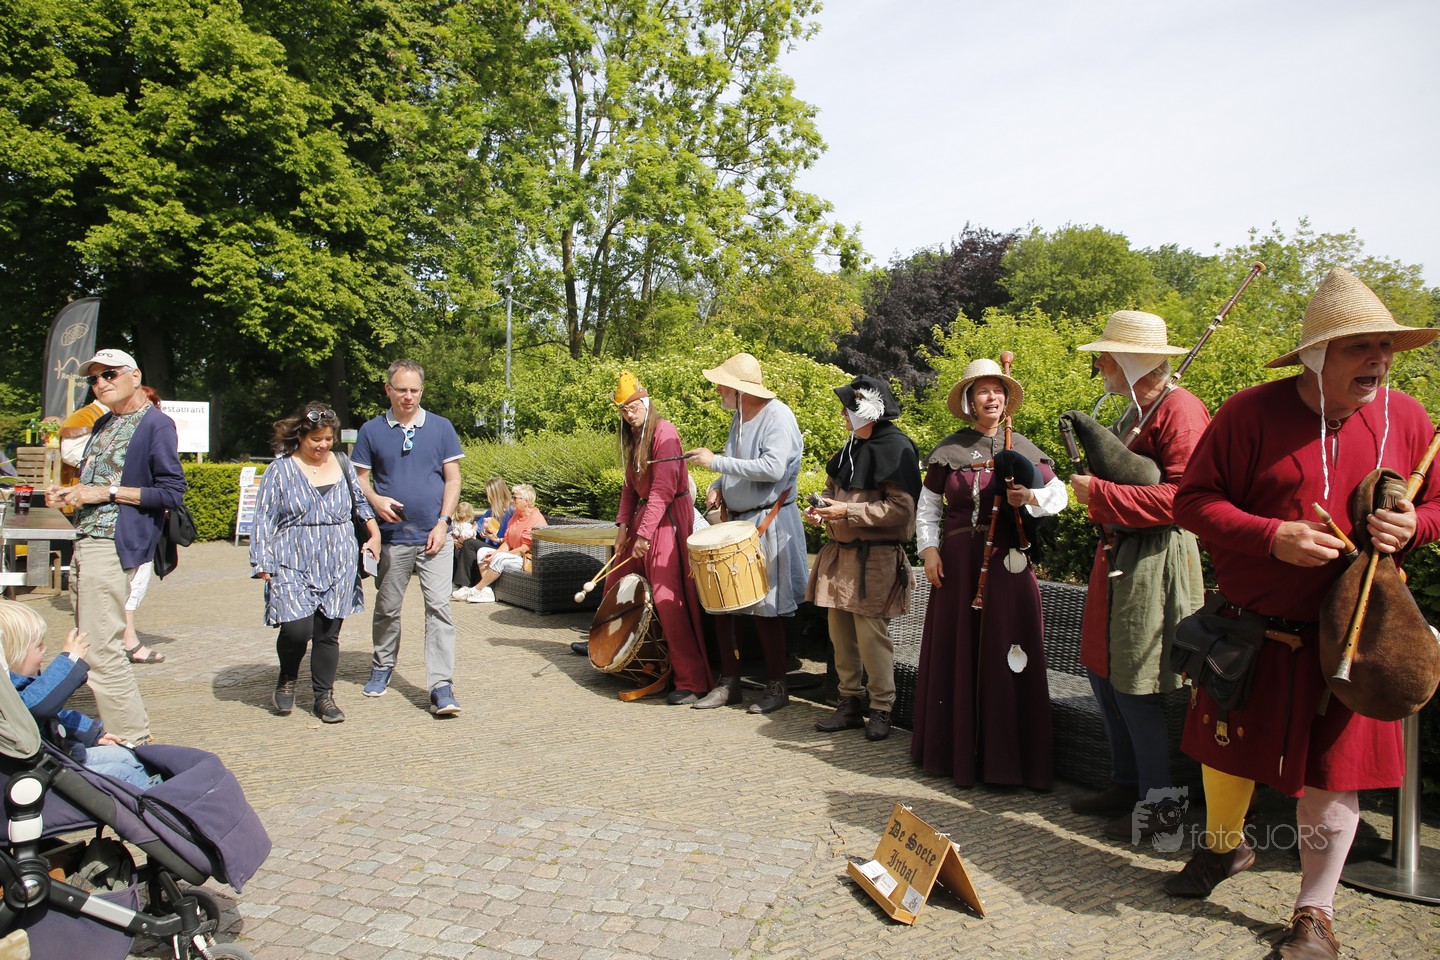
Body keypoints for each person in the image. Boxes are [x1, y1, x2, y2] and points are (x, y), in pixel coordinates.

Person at [1166, 267, 1440, 960]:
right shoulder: (1248, 414)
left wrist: (1416, 527)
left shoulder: (1409, 419)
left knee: (1331, 781)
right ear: (1316, 355)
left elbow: (1437, 505)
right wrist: (1271, 537)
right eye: (1360, 347)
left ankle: (1314, 912)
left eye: (1385, 346)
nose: (1379, 359)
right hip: (1250, 633)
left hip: (1353, 642)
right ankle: (1225, 849)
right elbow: (1192, 502)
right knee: (1226, 755)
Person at [1068, 312, 1209, 840]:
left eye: (1106, 356)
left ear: (1132, 361)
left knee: (1136, 684)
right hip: (1118, 556)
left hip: (1156, 561)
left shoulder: (1181, 410)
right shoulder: (1137, 409)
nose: (1100, 365)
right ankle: (1126, 784)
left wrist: (1101, 494)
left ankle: (1161, 807)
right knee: (1104, 675)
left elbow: (1185, 499)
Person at [909, 357, 1067, 789]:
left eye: (998, 390)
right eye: (983, 390)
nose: (991, 397)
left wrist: (1029, 496)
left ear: (1006, 398)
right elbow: (928, 507)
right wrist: (929, 550)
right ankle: (954, 754)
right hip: (958, 566)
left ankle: (1007, 763)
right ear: (969, 400)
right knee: (958, 651)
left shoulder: (1024, 446)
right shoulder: (949, 450)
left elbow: (1059, 495)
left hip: (1008, 567)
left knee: (1005, 651)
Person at [44, 348, 185, 746]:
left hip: (112, 542)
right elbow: (96, 486)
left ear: (135, 376)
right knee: (91, 641)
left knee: (100, 648)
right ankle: (123, 733)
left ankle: (133, 741)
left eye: (110, 374)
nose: (101, 383)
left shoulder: (156, 424)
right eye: (94, 378)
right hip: (87, 539)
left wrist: (103, 492)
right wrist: (71, 494)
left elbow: (171, 492)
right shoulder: (104, 422)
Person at [687, 353, 808, 713]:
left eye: (723, 386)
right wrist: (719, 485)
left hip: (769, 523)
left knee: (766, 608)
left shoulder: (778, 415)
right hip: (738, 523)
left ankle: (777, 687)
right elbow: (738, 466)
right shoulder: (739, 417)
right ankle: (729, 685)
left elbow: (772, 468)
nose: (719, 391)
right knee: (723, 602)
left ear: (741, 390)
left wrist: (715, 463)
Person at [805, 375, 921, 742]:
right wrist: (822, 509)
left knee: (872, 638)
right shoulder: (852, 445)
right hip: (840, 556)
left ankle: (881, 708)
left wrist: (847, 512)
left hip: (876, 560)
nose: (843, 413)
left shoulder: (896, 448)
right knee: (840, 635)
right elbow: (832, 490)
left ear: (868, 411)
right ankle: (849, 704)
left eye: (848, 408)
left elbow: (901, 510)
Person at [250, 402, 380, 723]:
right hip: (292, 558)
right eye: (316, 439)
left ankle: (324, 697)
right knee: (297, 630)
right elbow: (264, 516)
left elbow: (360, 502)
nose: (323, 445)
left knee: (327, 633)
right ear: (300, 436)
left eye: (328, 439)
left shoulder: (343, 463)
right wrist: (262, 559)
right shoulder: (280, 470)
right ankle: (287, 676)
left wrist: (374, 533)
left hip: (338, 558)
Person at [352, 360, 464, 716]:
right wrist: (376, 500)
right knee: (388, 607)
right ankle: (383, 665)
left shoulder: (441, 427)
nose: (408, 396)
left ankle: (441, 685)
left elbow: (453, 479)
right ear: (388, 389)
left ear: (422, 391)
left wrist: (444, 522)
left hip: (434, 535)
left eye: (414, 390)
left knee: (439, 608)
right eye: (401, 389)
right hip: (392, 536)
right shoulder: (371, 430)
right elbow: (359, 479)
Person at [604, 372, 709, 702]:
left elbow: (662, 491)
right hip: (646, 517)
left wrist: (644, 534)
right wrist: (623, 528)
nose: (628, 413)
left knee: (666, 597)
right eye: (623, 409)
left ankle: (691, 680)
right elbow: (629, 488)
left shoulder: (665, 434)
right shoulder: (633, 436)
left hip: (668, 519)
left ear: (645, 402)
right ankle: (619, 649)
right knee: (615, 579)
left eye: (632, 406)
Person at [2, 590, 159, 789]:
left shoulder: (24, 686)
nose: (45, 649)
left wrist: (92, 734)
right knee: (122, 772)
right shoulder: (10, 695)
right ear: (12, 655)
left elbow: (55, 716)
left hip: (63, 756)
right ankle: (158, 802)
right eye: (38, 645)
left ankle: (158, 790)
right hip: (44, 772)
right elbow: (37, 707)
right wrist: (69, 662)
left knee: (125, 756)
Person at [120, 386, 166, 665]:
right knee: (131, 583)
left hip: (142, 518)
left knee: (134, 582)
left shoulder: (158, 428)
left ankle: (125, 640)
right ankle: (128, 642)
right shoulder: (110, 428)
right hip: (129, 522)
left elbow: (170, 487)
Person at [467, 484, 546, 602]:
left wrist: (499, 555)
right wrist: (496, 553)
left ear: (527, 501)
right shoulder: (516, 516)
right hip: (514, 555)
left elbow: (525, 548)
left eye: (515, 498)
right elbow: (507, 542)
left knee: (500, 558)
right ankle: (488, 591)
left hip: (527, 559)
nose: (512, 500)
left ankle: (476, 589)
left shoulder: (536, 520)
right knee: (483, 552)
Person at [452, 478, 513, 601]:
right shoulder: (491, 511)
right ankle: (463, 585)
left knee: (469, 544)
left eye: (489, 495)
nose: (488, 498)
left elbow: (511, 539)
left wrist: (495, 539)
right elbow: (476, 526)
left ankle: (464, 585)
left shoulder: (511, 512)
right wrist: (461, 537)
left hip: (500, 547)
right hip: (489, 545)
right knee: (461, 545)